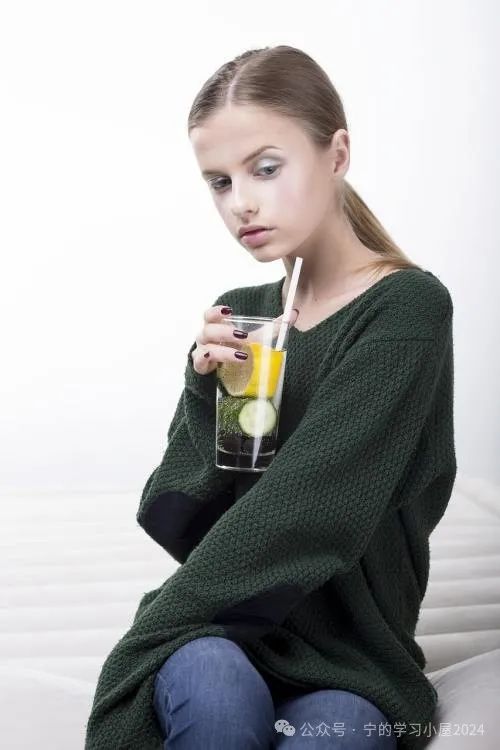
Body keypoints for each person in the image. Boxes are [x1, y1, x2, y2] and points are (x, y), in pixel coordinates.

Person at [85, 44, 455, 750]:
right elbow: (179, 518)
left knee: (340, 734)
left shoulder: (405, 308)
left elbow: (316, 507)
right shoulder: (244, 312)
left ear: (336, 153)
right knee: (216, 694)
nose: (241, 203)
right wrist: (204, 391)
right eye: (219, 182)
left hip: (351, 659)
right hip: (219, 632)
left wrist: (156, 624)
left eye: (265, 168)